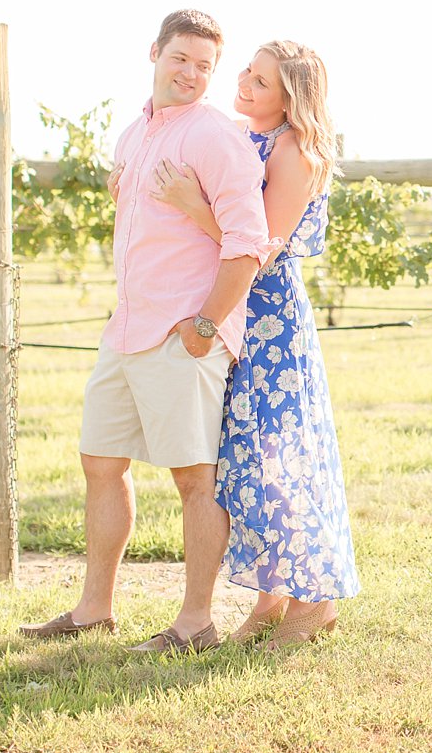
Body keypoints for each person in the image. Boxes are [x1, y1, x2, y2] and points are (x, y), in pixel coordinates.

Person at [19, 9, 276, 654]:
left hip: (182, 331)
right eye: (181, 59)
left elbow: (248, 244)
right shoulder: (134, 135)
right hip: (127, 326)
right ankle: (94, 608)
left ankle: (195, 622)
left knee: (193, 478)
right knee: (101, 462)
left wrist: (205, 325)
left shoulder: (218, 139)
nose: (190, 74)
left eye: (204, 66)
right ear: (155, 53)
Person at [149, 39, 359, 649]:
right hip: (237, 312)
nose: (243, 82)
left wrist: (192, 206)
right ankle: (271, 598)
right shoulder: (243, 140)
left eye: (261, 81)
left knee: (281, 455)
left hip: (270, 320)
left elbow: (262, 250)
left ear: (290, 97)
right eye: (247, 71)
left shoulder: (294, 151)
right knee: (248, 458)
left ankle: (313, 602)